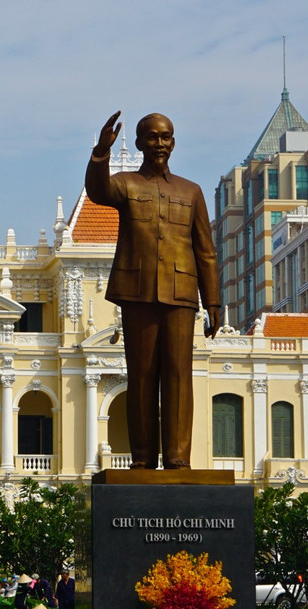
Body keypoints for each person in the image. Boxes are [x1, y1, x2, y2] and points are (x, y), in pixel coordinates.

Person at [85, 111, 221, 469]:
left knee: (179, 376)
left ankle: (178, 458)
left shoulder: (190, 191)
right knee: (142, 375)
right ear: (142, 141)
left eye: (166, 137)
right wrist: (101, 151)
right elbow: (97, 191)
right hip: (138, 291)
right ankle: (143, 458)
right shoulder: (126, 184)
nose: (160, 143)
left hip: (180, 293)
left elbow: (205, 250)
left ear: (173, 143)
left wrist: (214, 302)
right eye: (152, 137)